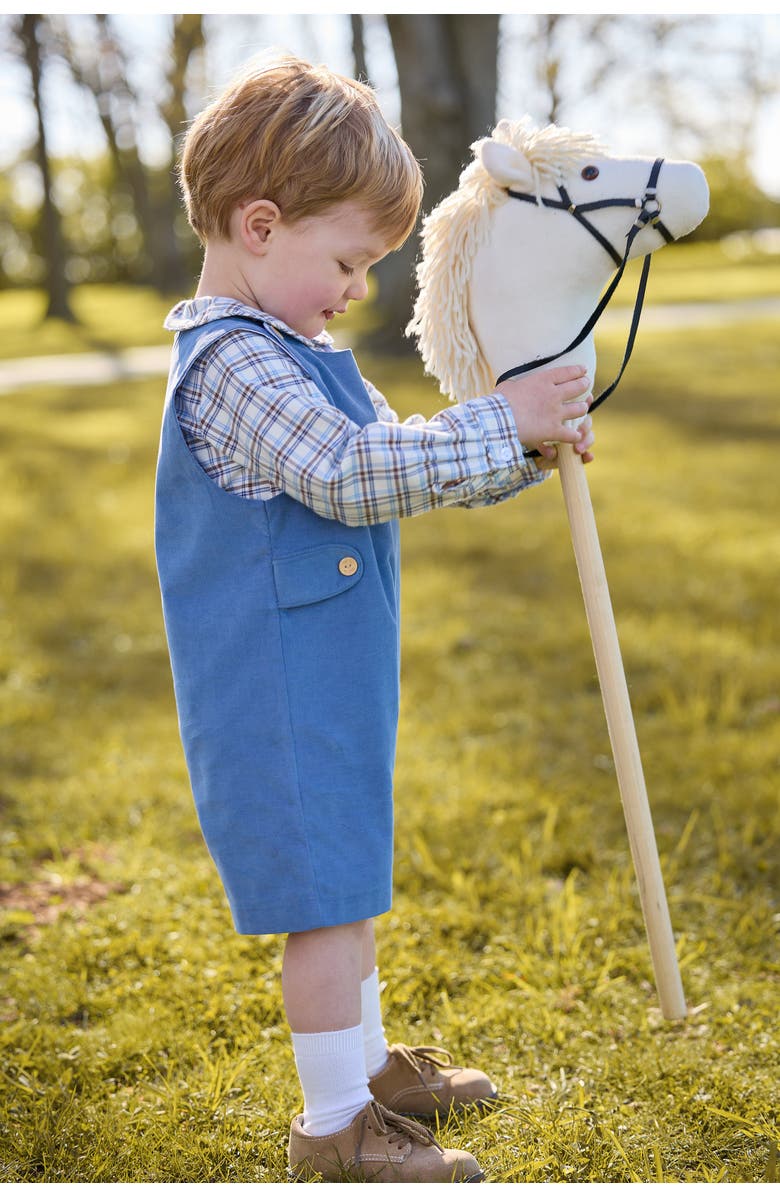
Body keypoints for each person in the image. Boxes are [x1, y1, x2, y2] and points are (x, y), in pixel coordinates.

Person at [154, 53, 594, 1184]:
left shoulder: (291, 350)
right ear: (261, 225)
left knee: (349, 877)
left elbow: (400, 462)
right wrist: (497, 419)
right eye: (348, 261)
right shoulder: (234, 367)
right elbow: (353, 474)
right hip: (277, 691)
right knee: (324, 899)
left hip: (331, 677)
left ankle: (367, 1069)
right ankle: (334, 1122)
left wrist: (523, 449)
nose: (358, 289)